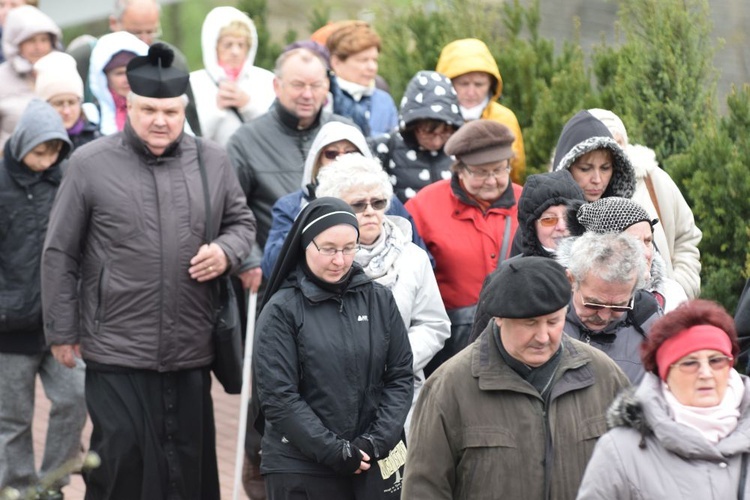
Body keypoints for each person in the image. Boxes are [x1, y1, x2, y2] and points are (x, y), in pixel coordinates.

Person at [41, 43, 256, 499]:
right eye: (149, 110)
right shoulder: (88, 165)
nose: (161, 120)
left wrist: (226, 250)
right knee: (122, 465)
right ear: (128, 106)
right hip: (116, 349)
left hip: (191, 347)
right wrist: (61, 331)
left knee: (188, 469)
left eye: (171, 112)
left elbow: (242, 223)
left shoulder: (212, 160)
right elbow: (60, 252)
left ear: (184, 110)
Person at [403, 257, 631, 499]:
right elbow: (424, 490)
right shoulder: (448, 387)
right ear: (499, 319)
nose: (543, 336)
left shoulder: (604, 375)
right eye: (529, 323)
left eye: (553, 322)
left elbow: (635, 474)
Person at [254, 197, 413, 499]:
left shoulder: (379, 300)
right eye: (328, 249)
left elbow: (400, 376)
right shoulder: (282, 310)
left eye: (349, 248)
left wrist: (374, 442)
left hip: (372, 460)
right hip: (301, 466)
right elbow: (278, 397)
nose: (339, 260)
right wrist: (334, 451)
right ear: (304, 244)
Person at [315, 154, 450, 436]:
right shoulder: (320, 259)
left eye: (378, 202)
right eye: (357, 204)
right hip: (334, 397)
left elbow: (434, 324)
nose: (370, 211)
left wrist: (393, 360)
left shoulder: (413, 258)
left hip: (400, 395)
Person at [577, 299, 750, 499]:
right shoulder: (620, 450)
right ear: (665, 375)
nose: (706, 373)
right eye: (690, 363)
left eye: (716, 360)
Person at [0, 100, 85, 498]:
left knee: (74, 397)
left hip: (59, 323)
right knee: (12, 418)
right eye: (39, 151)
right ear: (21, 145)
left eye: (53, 152)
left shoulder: (66, 178)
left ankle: (51, 483)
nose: (45, 160)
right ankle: (17, 487)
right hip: (8, 325)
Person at [406, 119, 522, 375]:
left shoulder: (527, 203)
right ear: (459, 169)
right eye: (481, 172)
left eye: (500, 170)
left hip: (519, 337)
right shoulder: (423, 207)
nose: (492, 180)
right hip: (451, 345)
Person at [228, 46, 347, 295]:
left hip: (342, 272)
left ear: (327, 86)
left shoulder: (344, 133)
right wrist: (251, 261)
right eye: (297, 85)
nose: (307, 94)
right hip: (275, 278)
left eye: (315, 85)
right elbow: (231, 209)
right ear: (276, 85)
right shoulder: (246, 140)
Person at [261, 121, 428, 278]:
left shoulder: (384, 200)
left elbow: (422, 260)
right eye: (332, 153)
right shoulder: (292, 206)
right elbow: (272, 268)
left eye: (351, 153)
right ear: (317, 161)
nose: (341, 159)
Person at [588, 107, 702, 299]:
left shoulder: (651, 179)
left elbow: (686, 238)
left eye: (618, 144)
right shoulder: (576, 193)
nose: (613, 154)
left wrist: (677, 291)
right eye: (605, 148)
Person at [470, 169, 585, 344]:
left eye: (570, 217)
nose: (562, 226)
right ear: (531, 228)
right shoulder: (505, 278)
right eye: (548, 219)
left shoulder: (600, 268)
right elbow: (481, 349)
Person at [67, 0, 202, 135]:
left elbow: (191, 121)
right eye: (135, 33)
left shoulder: (170, 60)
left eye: (151, 32)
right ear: (114, 23)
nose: (143, 40)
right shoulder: (83, 59)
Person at [558, 231, 662, 382]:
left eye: (619, 306)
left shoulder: (649, 327)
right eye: (594, 303)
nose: (604, 316)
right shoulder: (544, 319)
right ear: (572, 280)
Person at [565, 196, 688, 313]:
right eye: (633, 243)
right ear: (601, 250)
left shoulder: (672, 293)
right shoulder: (571, 297)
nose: (645, 253)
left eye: (648, 241)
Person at [435, 37, 526, 184]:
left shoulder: (504, 118)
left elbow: (516, 172)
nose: (471, 92)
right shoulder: (433, 118)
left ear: (491, 83)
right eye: (463, 84)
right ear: (447, 83)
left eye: (479, 84)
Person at [370, 70, 463, 202]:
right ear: (412, 125)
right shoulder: (385, 147)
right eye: (427, 132)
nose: (436, 142)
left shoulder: (461, 151)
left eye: (445, 132)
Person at [190, 6, 275, 146]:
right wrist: (217, 109)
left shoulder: (266, 81)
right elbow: (189, 138)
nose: (235, 51)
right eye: (228, 45)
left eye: (241, 45)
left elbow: (275, 134)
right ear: (213, 47)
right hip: (210, 165)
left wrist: (248, 105)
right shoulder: (195, 83)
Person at [0, 4, 60, 152]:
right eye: (31, 41)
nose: (39, 47)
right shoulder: (2, 79)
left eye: (44, 39)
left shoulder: (63, 72)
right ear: (16, 44)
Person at [325, 21, 398, 137]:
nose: (372, 67)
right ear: (336, 62)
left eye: (374, 60)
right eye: (363, 60)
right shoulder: (324, 99)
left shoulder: (384, 101)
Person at [552, 109, 636, 201]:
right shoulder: (545, 214)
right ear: (567, 168)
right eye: (585, 169)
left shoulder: (624, 214)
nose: (597, 180)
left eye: (605, 168)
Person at [34, 51, 101, 151]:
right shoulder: (32, 144)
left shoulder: (97, 139)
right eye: (58, 103)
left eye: (72, 102)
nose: (66, 111)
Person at [88, 31, 148, 135]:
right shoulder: (92, 117)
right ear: (105, 78)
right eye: (119, 73)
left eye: (132, 71)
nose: (127, 79)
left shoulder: (161, 109)